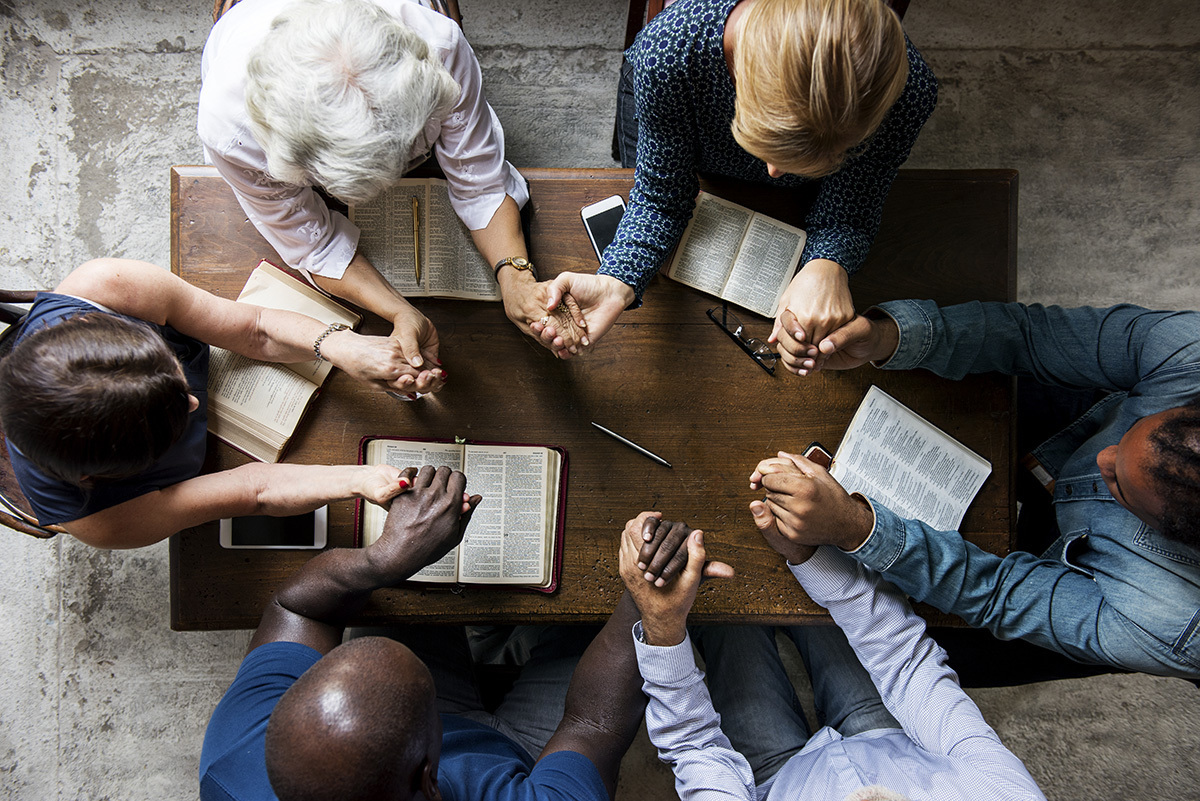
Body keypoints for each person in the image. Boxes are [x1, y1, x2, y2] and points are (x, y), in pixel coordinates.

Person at [751, 299, 1200, 679]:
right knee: (938, 382)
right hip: (1076, 426)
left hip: (1100, 590)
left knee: (918, 653)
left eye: (1119, 483)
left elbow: (997, 593)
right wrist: (890, 336)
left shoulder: (1170, 624)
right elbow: (1030, 335)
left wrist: (856, 528)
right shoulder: (1191, 355)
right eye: (1130, 433)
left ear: (1166, 531)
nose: (1104, 458)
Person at [200, 465, 646, 801]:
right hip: (531, 754)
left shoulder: (237, 760)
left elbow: (294, 608)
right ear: (430, 779)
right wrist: (646, 595)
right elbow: (592, 726)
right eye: (429, 702)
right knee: (600, 614)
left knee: (399, 597)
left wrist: (383, 561)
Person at [199, 0, 585, 373]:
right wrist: (400, 311)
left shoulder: (438, 43)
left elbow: (480, 180)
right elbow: (314, 244)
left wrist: (516, 278)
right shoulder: (229, 131)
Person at [545, 0, 936, 366]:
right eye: (766, 142)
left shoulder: (909, 92)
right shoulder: (669, 53)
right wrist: (618, 280)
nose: (774, 173)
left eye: (824, 156)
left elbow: (855, 200)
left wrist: (828, 263)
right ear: (738, 76)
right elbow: (662, 196)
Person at [618, 510, 1047, 801]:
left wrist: (664, 625)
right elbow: (906, 663)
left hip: (774, 780)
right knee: (821, 587)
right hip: (889, 738)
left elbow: (695, 746)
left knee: (722, 604)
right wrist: (809, 555)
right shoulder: (1003, 793)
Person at [0, 259, 424, 549]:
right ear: (97, 475)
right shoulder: (103, 521)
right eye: (167, 424)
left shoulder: (104, 289)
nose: (190, 402)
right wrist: (361, 480)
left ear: (96, 323)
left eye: (172, 376)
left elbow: (255, 328)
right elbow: (253, 491)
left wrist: (341, 345)